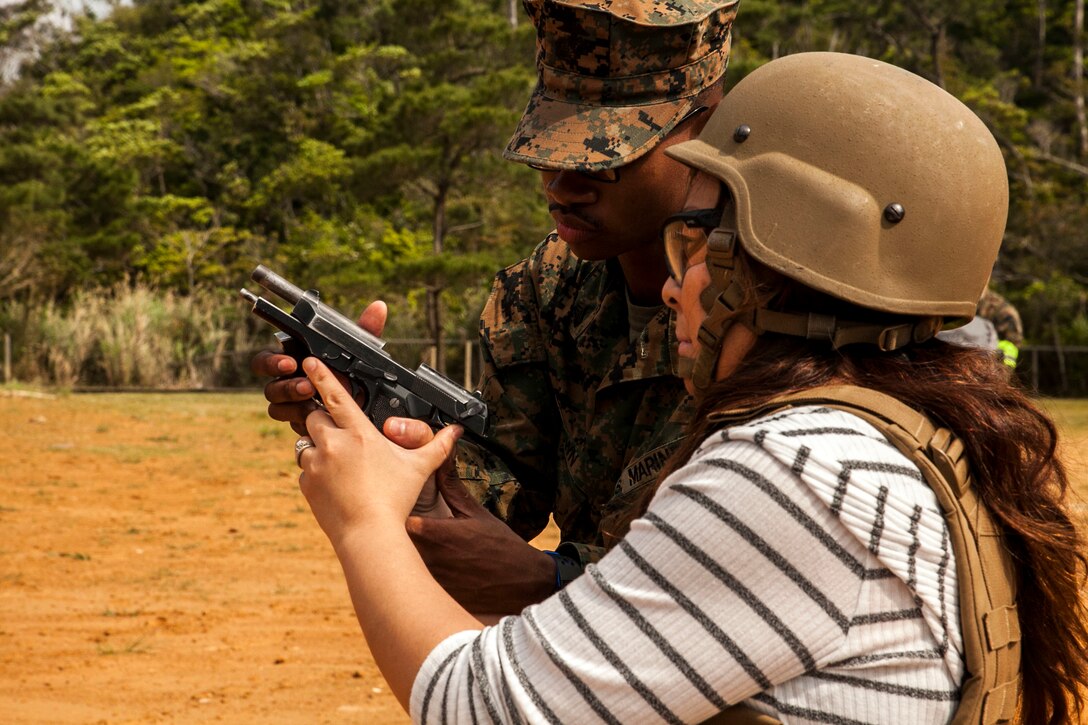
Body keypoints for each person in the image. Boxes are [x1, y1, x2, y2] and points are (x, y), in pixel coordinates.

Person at [292, 53, 1088, 723]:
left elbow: (487, 702)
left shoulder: (798, 470)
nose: (672, 288)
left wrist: (364, 517)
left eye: (696, 243)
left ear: (782, 263)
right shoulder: (911, 436)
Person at [253, 0, 741, 614]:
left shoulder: (775, 304)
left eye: (604, 153)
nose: (561, 185)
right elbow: (506, 490)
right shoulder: (544, 287)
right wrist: (393, 442)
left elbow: (765, 572)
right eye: (549, 147)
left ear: (710, 127)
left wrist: (554, 583)